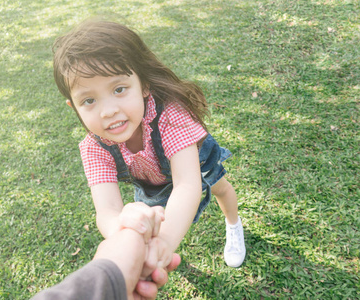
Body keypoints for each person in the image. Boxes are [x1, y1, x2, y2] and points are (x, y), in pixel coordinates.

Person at [52, 19, 246, 272]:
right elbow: (107, 210)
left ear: (144, 85)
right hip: (151, 184)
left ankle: (234, 224)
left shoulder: (170, 114)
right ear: (73, 107)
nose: (108, 111)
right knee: (146, 219)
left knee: (220, 188)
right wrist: (123, 229)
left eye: (119, 89)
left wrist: (164, 243)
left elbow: (188, 185)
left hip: (195, 163)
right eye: (89, 100)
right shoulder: (94, 148)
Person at [32, 205, 181, 300]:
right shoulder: (94, 153)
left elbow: (187, 183)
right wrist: (126, 229)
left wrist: (160, 241)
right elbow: (106, 209)